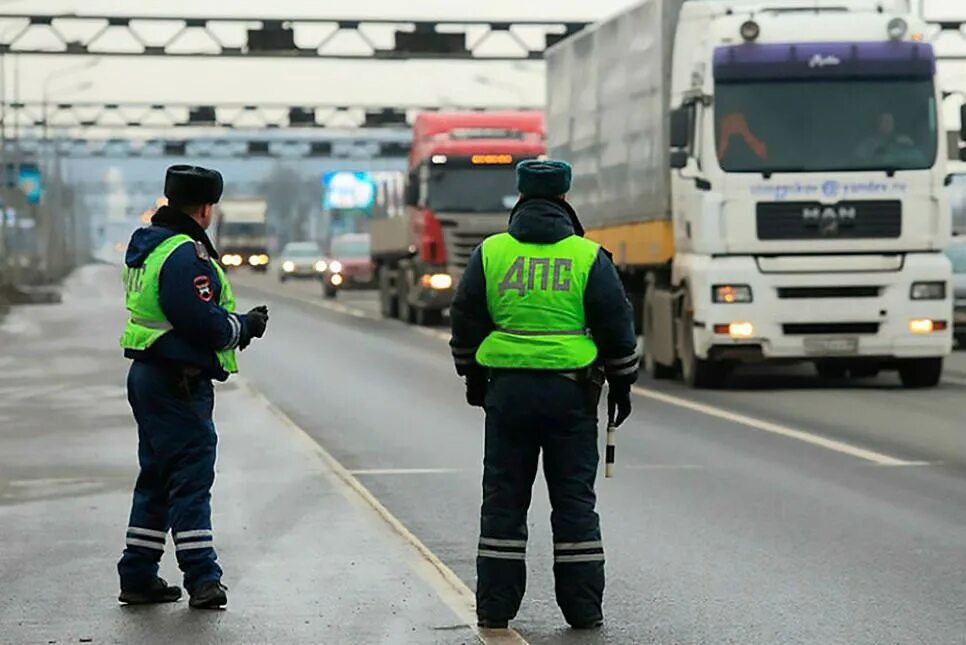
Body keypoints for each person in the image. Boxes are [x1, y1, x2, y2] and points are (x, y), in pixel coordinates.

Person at [449, 159, 638, 630]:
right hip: (570, 396)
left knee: (503, 502)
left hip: (507, 394)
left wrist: (473, 378)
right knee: (574, 503)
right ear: (565, 198)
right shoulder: (587, 256)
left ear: (520, 195)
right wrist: (622, 383)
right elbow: (617, 325)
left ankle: (495, 610)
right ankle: (583, 610)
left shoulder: (490, 253)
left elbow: (465, 319)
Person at [116, 165, 269, 609]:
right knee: (190, 477)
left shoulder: (149, 246)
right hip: (176, 378)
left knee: (158, 477)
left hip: (150, 373)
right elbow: (201, 321)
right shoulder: (185, 254)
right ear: (205, 208)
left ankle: (138, 573)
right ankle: (203, 577)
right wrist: (244, 326)